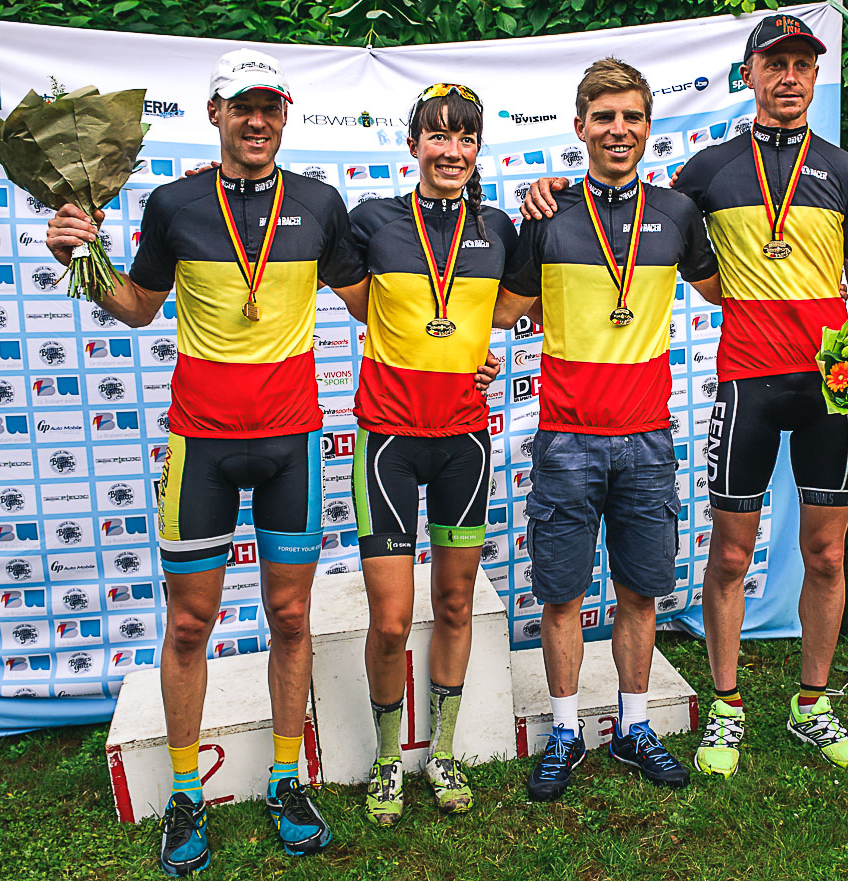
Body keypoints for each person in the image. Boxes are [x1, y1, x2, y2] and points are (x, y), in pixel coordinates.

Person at [523, 13, 848, 777]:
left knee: (825, 552)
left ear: (815, 75)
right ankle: (724, 709)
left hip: (829, 389)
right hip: (744, 382)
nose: (788, 77)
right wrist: (549, 190)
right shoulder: (701, 173)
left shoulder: (847, 172)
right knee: (728, 554)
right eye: (775, 64)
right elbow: (632, 223)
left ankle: (812, 705)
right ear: (750, 75)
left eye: (801, 64)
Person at [46, 48, 353, 874]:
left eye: (270, 107)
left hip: (290, 442)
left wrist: (469, 340)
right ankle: (186, 792)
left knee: (291, 619)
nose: (256, 121)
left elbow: (380, 302)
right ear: (213, 114)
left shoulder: (321, 203)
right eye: (240, 106)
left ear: (284, 116)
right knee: (189, 623)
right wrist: (72, 254)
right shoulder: (174, 203)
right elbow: (136, 308)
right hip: (202, 444)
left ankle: (288, 778)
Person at [500, 59, 719, 802]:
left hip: (647, 436)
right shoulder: (545, 214)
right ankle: (564, 730)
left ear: (647, 128)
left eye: (630, 117)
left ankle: (631, 724)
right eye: (603, 117)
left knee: (638, 589)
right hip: (564, 437)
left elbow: (730, 285)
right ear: (579, 126)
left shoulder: (677, 213)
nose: (617, 130)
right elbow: (501, 310)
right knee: (560, 593)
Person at [323, 81, 518, 824]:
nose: (451, 150)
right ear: (412, 146)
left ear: (475, 149)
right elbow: (351, 295)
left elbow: (509, 313)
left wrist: (484, 351)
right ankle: (383, 758)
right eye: (437, 136)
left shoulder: (498, 226)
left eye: (464, 137)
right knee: (392, 618)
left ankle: (440, 752)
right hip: (389, 442)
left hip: (464, 441)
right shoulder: (371, 219)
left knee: (457, 602)